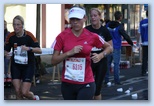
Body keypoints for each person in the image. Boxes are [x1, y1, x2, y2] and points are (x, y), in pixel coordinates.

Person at [51, 5, 113, 100]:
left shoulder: (92, 36)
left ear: (84, 18)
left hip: (86, 82)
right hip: (68, 83)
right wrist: (68, 53)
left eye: (78, 19)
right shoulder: (62, 36)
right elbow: (53, 61)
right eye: (72, 19)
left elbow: (109, 47)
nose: (75, 22)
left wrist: (101, 55)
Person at [4, 15, 42, 100]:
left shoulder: (29, 36)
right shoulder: (11, 36)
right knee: (17, 91)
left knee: (24, 92)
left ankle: (34, 98)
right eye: (14, 25)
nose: (16, 27)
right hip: (16, 66)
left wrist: (29, 48)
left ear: (22, 25)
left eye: (18, 25)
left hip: (28, 66)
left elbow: (39, 50)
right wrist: (6, 54)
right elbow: (5, 50)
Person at [85, 8, 112, 100]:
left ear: (100, 17)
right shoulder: (86, 30)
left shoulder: (105, 31)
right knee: (88, 89)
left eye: (95, 15)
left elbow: (110, 48)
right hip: (88, 61)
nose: (93, 18)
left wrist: (101, 55)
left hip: (101, 61)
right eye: (91, 16)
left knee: (97, 90)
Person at [104, 11, 136, 85]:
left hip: (108, 46)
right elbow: (125, 35)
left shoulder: (108, 24)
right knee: (116, 64)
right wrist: (131, 43)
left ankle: (106, 80)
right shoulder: (119, 26)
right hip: (116, 47)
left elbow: (104, 33)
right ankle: (117, 80)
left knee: (107, 64)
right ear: (120, 17)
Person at [137, 10, 148, 76]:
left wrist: (138, 42)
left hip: (144, 42)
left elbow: (139, 33)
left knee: (145, 57)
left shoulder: (142, 22)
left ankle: (143, 71)